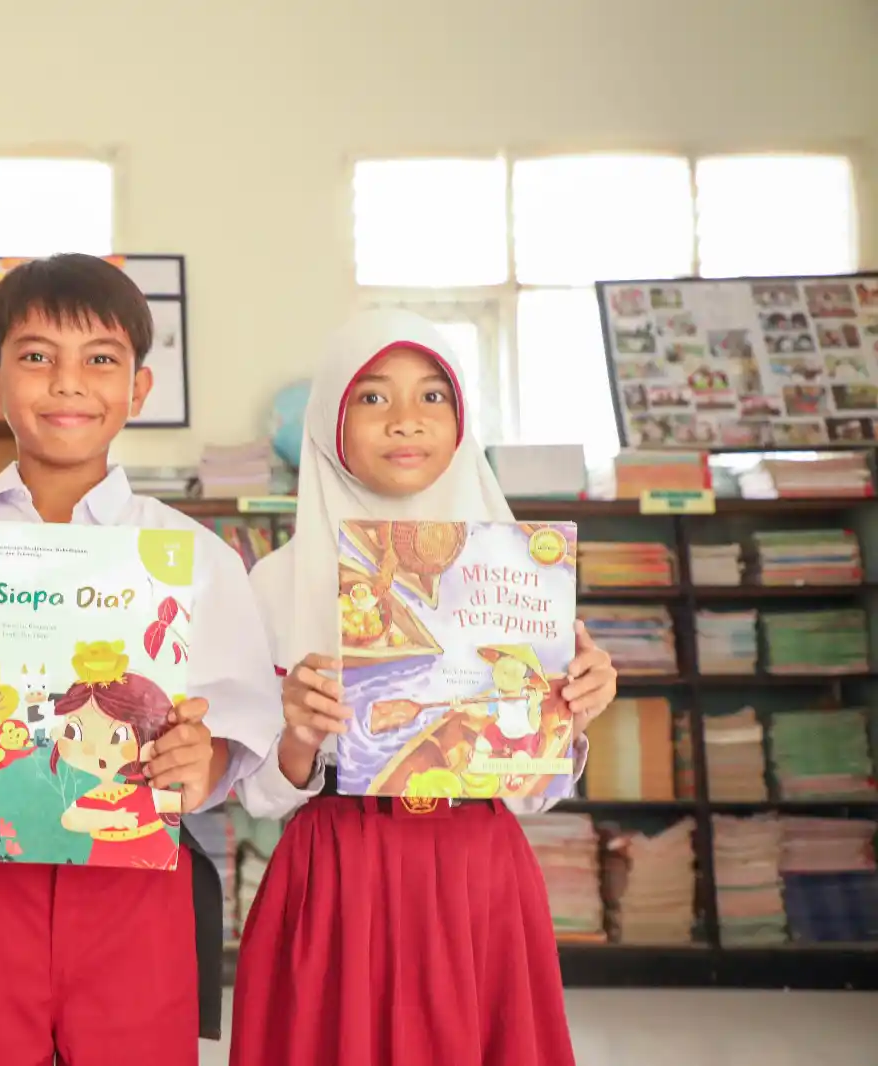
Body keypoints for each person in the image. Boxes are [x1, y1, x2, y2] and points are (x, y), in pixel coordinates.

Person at [0, 254, 281, 1066]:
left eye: (100, 360)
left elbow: (241, 720)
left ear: (138, 391)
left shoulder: (188, 554)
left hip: (135, 883)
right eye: (36, 356)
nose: (66, 382)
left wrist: (208, 754)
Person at [230, 310, 618, 1066]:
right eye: (372, 398)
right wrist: (300, 738)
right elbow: (256, 796)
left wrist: (570, 718)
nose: (406, 421)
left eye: (433, 397)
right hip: (336, 877)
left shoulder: (518, 577)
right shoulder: (274, 584)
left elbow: (531, 793)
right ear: (330, 423)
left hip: (476, 874)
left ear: (462, 420)